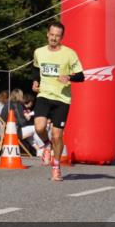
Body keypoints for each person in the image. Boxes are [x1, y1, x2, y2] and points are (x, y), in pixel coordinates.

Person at [32, 21, 84, 182]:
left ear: (62, 37)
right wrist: (35, 82)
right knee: (39, 127)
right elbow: (36, 68)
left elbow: (81, 76)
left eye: (57, 36)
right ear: (47, 34)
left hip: (62, 99)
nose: (54, 38)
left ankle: (56, 167)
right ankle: (46, 145)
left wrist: (69, 77)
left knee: (57, 135)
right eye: (52, 35)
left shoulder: (69, 53)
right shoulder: (39, 52)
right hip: (44, 95)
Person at [2, 88, 43, 152]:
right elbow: (21, 122)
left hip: (5, 130)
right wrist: (27, 118)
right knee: (36, 128)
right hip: (15, 131)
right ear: (20, 96)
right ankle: (43, 148)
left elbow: (3, 117)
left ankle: (39, 150)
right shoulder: (18, 105)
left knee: (30, 132)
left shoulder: (7, 104)